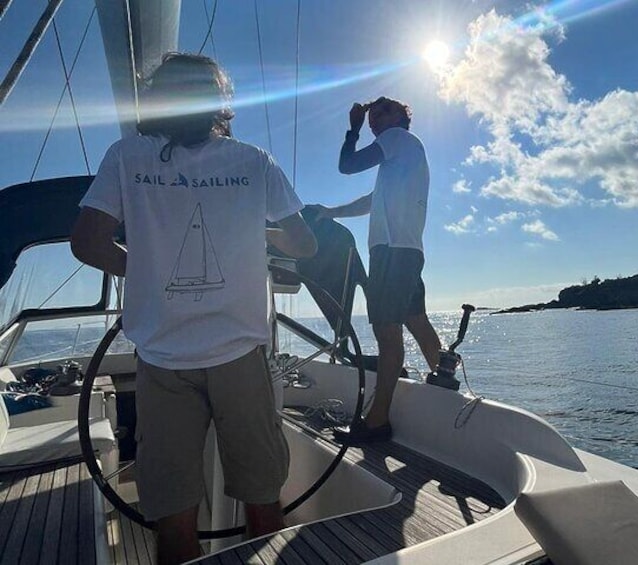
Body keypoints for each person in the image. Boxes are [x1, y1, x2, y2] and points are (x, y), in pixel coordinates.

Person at [70, 53, 317, 564]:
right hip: (240, 357)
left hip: (161, 362)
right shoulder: (253, 160)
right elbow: (304, 244)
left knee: (172, 511)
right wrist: (251, 233)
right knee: (262, 494)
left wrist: (144, 271)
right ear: (219, 102)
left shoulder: (125, 157)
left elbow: (87, 242)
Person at [309, 96, 442, 444]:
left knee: (387, 333)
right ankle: (445, 386)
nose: (374, 120)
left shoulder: (397, 139)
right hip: (408, 252)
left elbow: (347, 165)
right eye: (371, 117)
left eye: (381, 112)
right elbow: (370, 203)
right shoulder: (403, 157)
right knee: (418, 323)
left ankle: (377, 421)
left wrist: (352, 129)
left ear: (401, 116)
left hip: (391, 254)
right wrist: (331, 212)